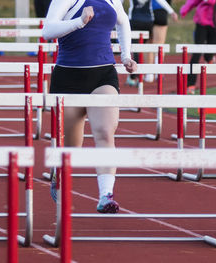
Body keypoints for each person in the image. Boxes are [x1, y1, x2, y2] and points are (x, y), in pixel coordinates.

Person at [43, 0, 137, 213]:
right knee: (71, 147)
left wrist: (125, 55)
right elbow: (47, 31)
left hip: (103, 75)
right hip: (68, 77)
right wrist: (79, 21)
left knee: (105, 132)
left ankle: (106, 195)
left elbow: (123, 22)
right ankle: (59, 176)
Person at [180, 0, 216, 93]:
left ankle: (209, 58)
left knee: (209, 52)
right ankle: (190, 84)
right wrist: (184, 9)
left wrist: (211, 1)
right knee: (196, 53)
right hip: (202, 22)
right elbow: (193, 1)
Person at [124, 0, 177, 86]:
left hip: (135, 20)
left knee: (136, 49)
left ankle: (135, 76)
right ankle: (149, 73)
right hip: (148, 21)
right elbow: (161, 1)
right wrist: (172, 12)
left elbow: (118, 2)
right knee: (145, 47)